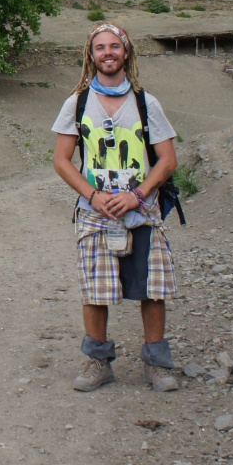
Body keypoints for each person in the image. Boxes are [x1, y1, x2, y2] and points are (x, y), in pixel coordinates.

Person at [52, 22, 182, 392]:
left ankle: (157, 364)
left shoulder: (146, 103)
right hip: (95, 212)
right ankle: (98, 362)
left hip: (142, 211)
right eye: (100, 48)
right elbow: (61, 160)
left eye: (114, 46)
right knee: (95, 289)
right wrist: (93, 196)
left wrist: (137, 195)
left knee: (152, 287)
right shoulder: (77, 103)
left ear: (126, 53)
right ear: (91, 55)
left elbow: (168, 160)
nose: (107, 53)